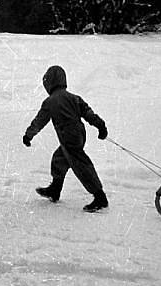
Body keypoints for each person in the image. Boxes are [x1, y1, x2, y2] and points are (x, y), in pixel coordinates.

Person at [23, 65, 109, 213]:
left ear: (48, 83)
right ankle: (55, 189)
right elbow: (88, 113)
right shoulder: (74, 97)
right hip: (79, 135)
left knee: (81, 165)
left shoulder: (50, 102)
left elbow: (40, 121)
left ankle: (100, 197)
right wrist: (101, 126)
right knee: (59, 159)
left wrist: (29, 135)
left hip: (68, 136)